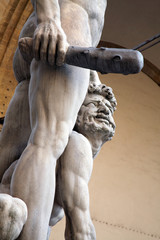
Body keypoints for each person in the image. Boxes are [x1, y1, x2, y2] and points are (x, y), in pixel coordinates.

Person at [0, 0, 107, 239]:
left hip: (61, 30)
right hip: (69, 24)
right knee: (47, 142)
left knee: (10, 157)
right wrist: (49, 18)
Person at [0, 83, 117, 239]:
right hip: (9, 216)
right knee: (13, 211)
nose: (104, 111)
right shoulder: (77, 143)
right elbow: (80, 227)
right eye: (94, 105)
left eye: (109, 109)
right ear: (76, 116)